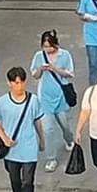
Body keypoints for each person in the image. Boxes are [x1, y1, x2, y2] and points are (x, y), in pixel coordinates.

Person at [0, 67, 46, 192]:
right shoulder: (2, 102)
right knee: (15, 178)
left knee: (28, 182)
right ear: (9, 83)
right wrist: (5, 139)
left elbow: (37, 121)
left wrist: (42, 140)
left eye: (22, 82)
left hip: (28, 147)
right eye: (16, 83)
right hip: (11, 149)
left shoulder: (33, 100)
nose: (20, 86)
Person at [29, 30, 77, 172]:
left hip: (61, 96)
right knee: (48, 129)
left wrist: (55, 68)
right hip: (45, 97)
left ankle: (69, 140)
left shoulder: (65, 55)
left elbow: (70, 73)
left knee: (65, 125)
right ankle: (51, 158)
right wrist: (40, 69)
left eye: (50, 46)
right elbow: (35, 75)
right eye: (45, 46)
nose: (48, 49)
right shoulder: (39, 56)